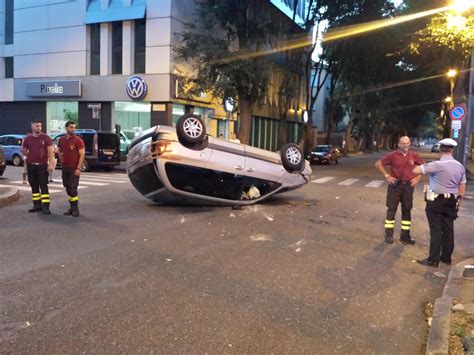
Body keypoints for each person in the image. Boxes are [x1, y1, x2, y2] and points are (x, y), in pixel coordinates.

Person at [412, 138, 466, 267]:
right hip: (452, 200)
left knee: (436, 230)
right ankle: (446, 258)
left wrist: (422, 164)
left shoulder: (436, 165)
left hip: (436, 201)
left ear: (441, 149)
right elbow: (462, 186)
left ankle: (433, 259)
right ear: (452, 150)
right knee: (448, 228)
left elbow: (416, 171)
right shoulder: (459, 166)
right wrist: (459, 201)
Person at [375, 136, 424, 244]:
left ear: (410, 144)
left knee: (407, 210)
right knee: (391, 209)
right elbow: (378, 164)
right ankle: (388, 235)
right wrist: (387, 176)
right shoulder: (393, 155)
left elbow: (423, 167)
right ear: (399, 145)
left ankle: (405, 236)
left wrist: (417, 178)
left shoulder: (414, 155)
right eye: (403, 143)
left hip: (408, 187)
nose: (406, 145)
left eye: (407, 143)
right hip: (395, 186)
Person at [22, 121, 55, 215]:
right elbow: (24, 151)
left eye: (40, 126)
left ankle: (45, 206)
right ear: (32, 126)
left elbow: (51, 153)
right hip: (31, 165)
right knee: (34, 185)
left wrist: (51, 164)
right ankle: (37, 205)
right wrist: (30, 155)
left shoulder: (46, 138)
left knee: (43, 185)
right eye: (37, 126)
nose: (39, 128)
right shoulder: (27, 139)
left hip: (42, 165)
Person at [57, 121, 85, 217]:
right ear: (66, 128)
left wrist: (78, 168)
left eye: (74, 127)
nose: (73, 129)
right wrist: (61, 162)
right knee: (68, 188)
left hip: (74, 168)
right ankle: (71, 207)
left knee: (73, 189)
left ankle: (75, 209)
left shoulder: (78, 140)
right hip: (65, 168)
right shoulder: (61, 139)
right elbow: (59, 151)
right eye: (71, 127)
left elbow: (82, 155)